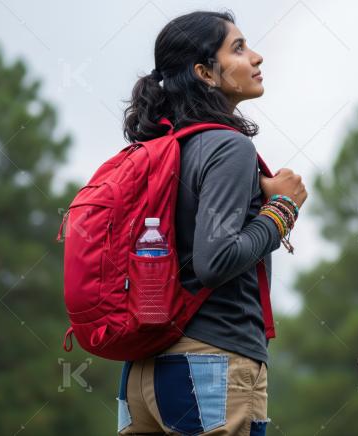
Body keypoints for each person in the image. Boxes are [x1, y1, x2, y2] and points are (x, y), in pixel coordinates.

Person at [117, 9, 307, 436]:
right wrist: (281, 213)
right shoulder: (229, 147)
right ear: (204, 72)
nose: (256, 57)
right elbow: (214, 260)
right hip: (212, 361)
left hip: (142, 374)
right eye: (238, 48)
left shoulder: (160, 148)